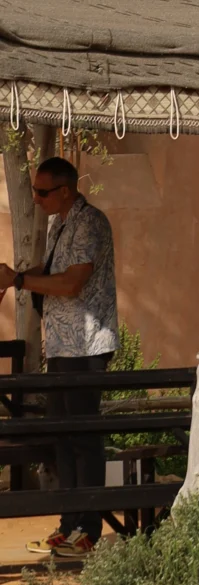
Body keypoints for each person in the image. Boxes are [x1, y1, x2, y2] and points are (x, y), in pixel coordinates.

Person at [0, 156, 119, 561]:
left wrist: (17, 280)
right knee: (63, 438)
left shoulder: (90, 223)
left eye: (42, 191)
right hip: (61, 345)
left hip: (86, 344)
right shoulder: (59, 224)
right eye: (33, 190)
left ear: (66, 190)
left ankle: (88, 531)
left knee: (84, 438)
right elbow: (51, 272)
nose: (35, 198)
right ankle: (69, 526)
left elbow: (71, 284)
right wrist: (15, 276)